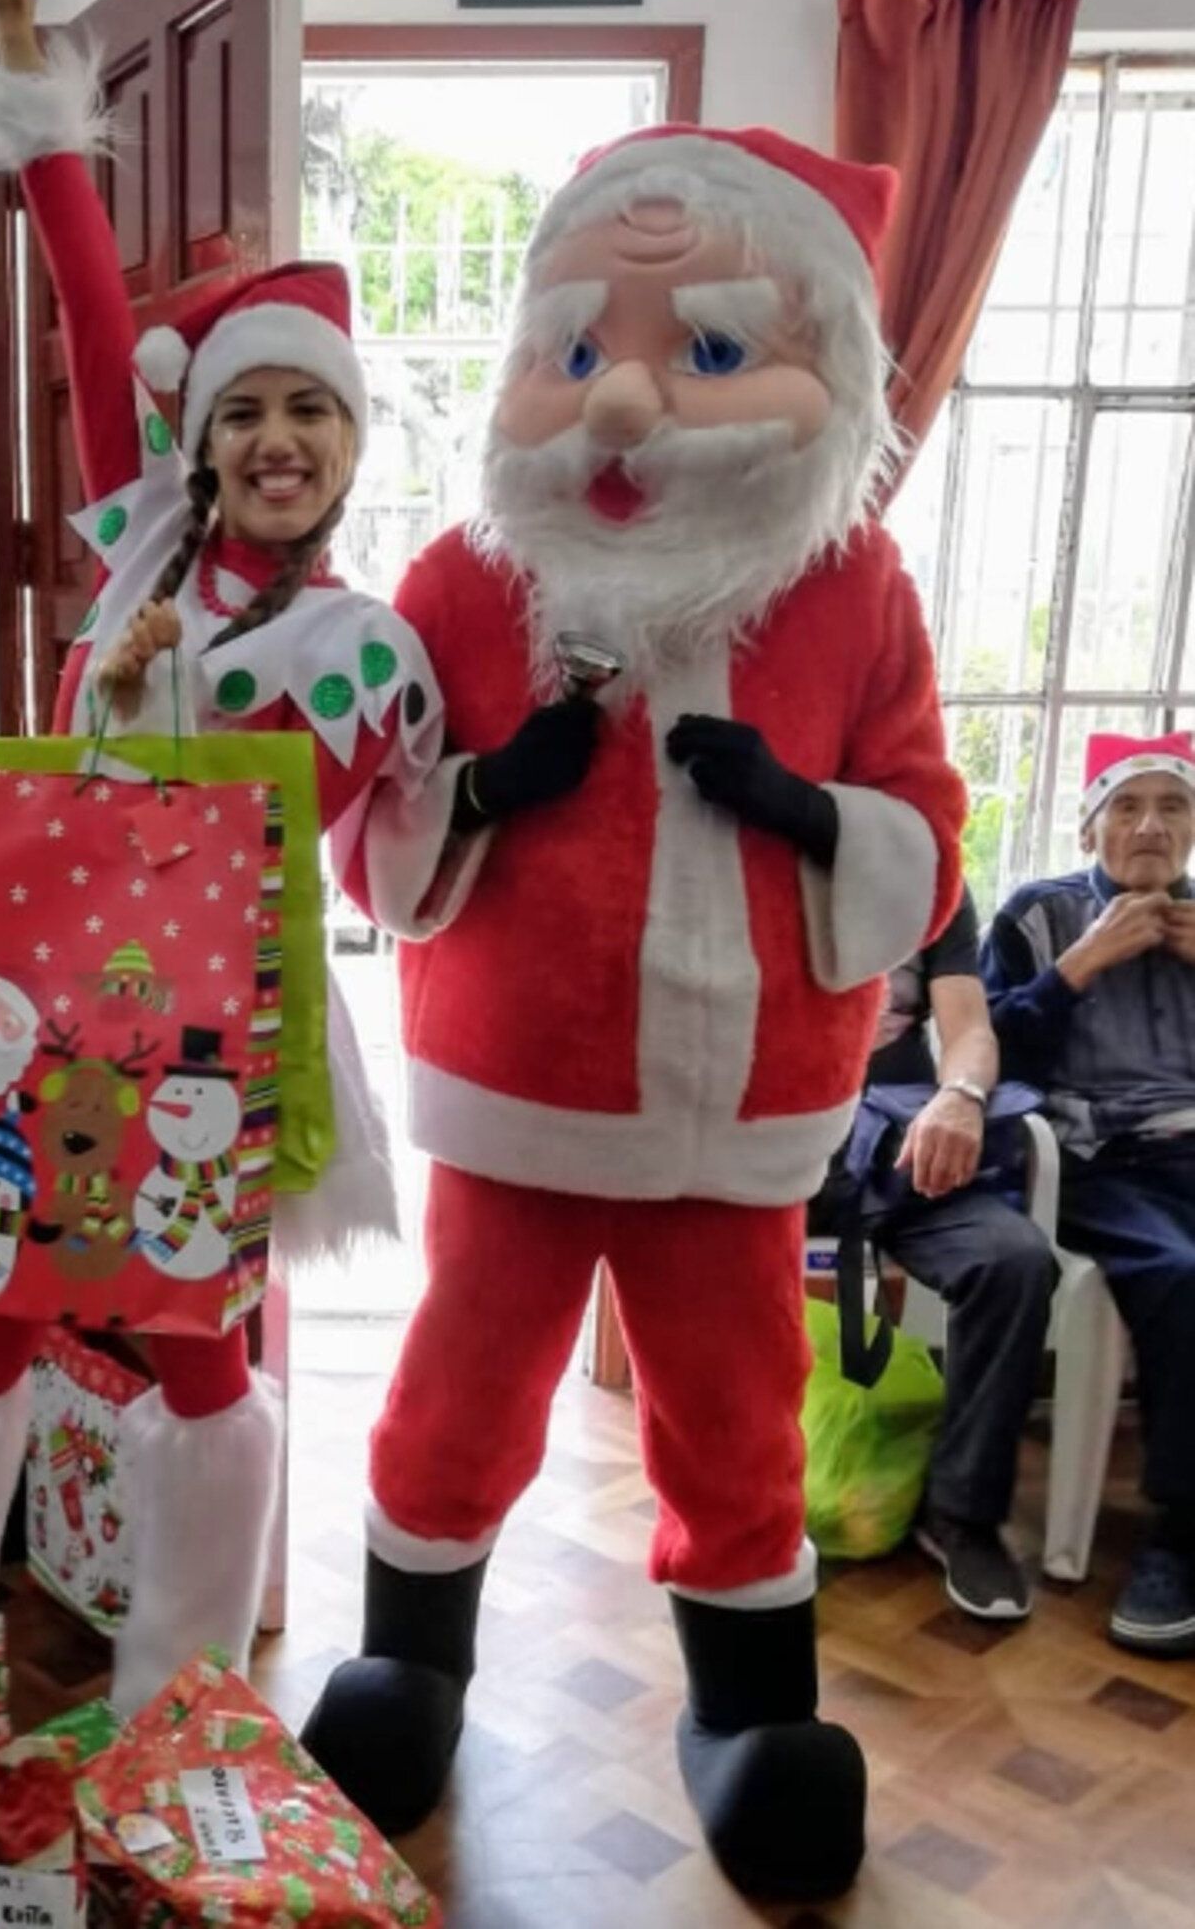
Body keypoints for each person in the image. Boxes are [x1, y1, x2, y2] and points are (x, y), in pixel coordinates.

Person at [298, 124, 967, 1901]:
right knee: (458, 1388)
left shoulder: (855, 590)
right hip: (518, 1085)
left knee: (736, 1413)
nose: (619, 403)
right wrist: (486, 786)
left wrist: (809, 808)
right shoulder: (461, 583)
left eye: (709, 350)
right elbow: (374, 823)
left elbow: (929, 825)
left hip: (739, 1115)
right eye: (578, 351)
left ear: (824, 363)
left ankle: (751, 1711)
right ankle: (410, 1659)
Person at [0, 0, 443, 1725]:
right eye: (244, 408)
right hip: (38, 1005)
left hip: (219, 1046)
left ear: (346, 449)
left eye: (309, 418)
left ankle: (183, 1703)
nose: (273, 440)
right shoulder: (143, 542)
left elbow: (398, 853)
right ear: (201, 439)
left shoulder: (375, 651)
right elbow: (95, 314)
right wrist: (30, 87)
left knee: (196, 1355)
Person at [984, 730, 1195, 1658]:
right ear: (1090, 825)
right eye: (1127, 806)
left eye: (1174, 806)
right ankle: (1178, 1537)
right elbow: (987, 1057)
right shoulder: (1039, 914)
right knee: (1183, 1271)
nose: (1150, 824)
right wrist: (1079, 967)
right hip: (1094, 1158)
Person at [821, 885, 1056, 1619]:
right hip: (784, 1136)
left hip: (903, 1143)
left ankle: (962, 1512)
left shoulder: (934, 887)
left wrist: (959, 1093)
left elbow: (970, 1028)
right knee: (716, 1254)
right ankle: (737, 1505)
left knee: (1013, 1261)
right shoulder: (762, 856)